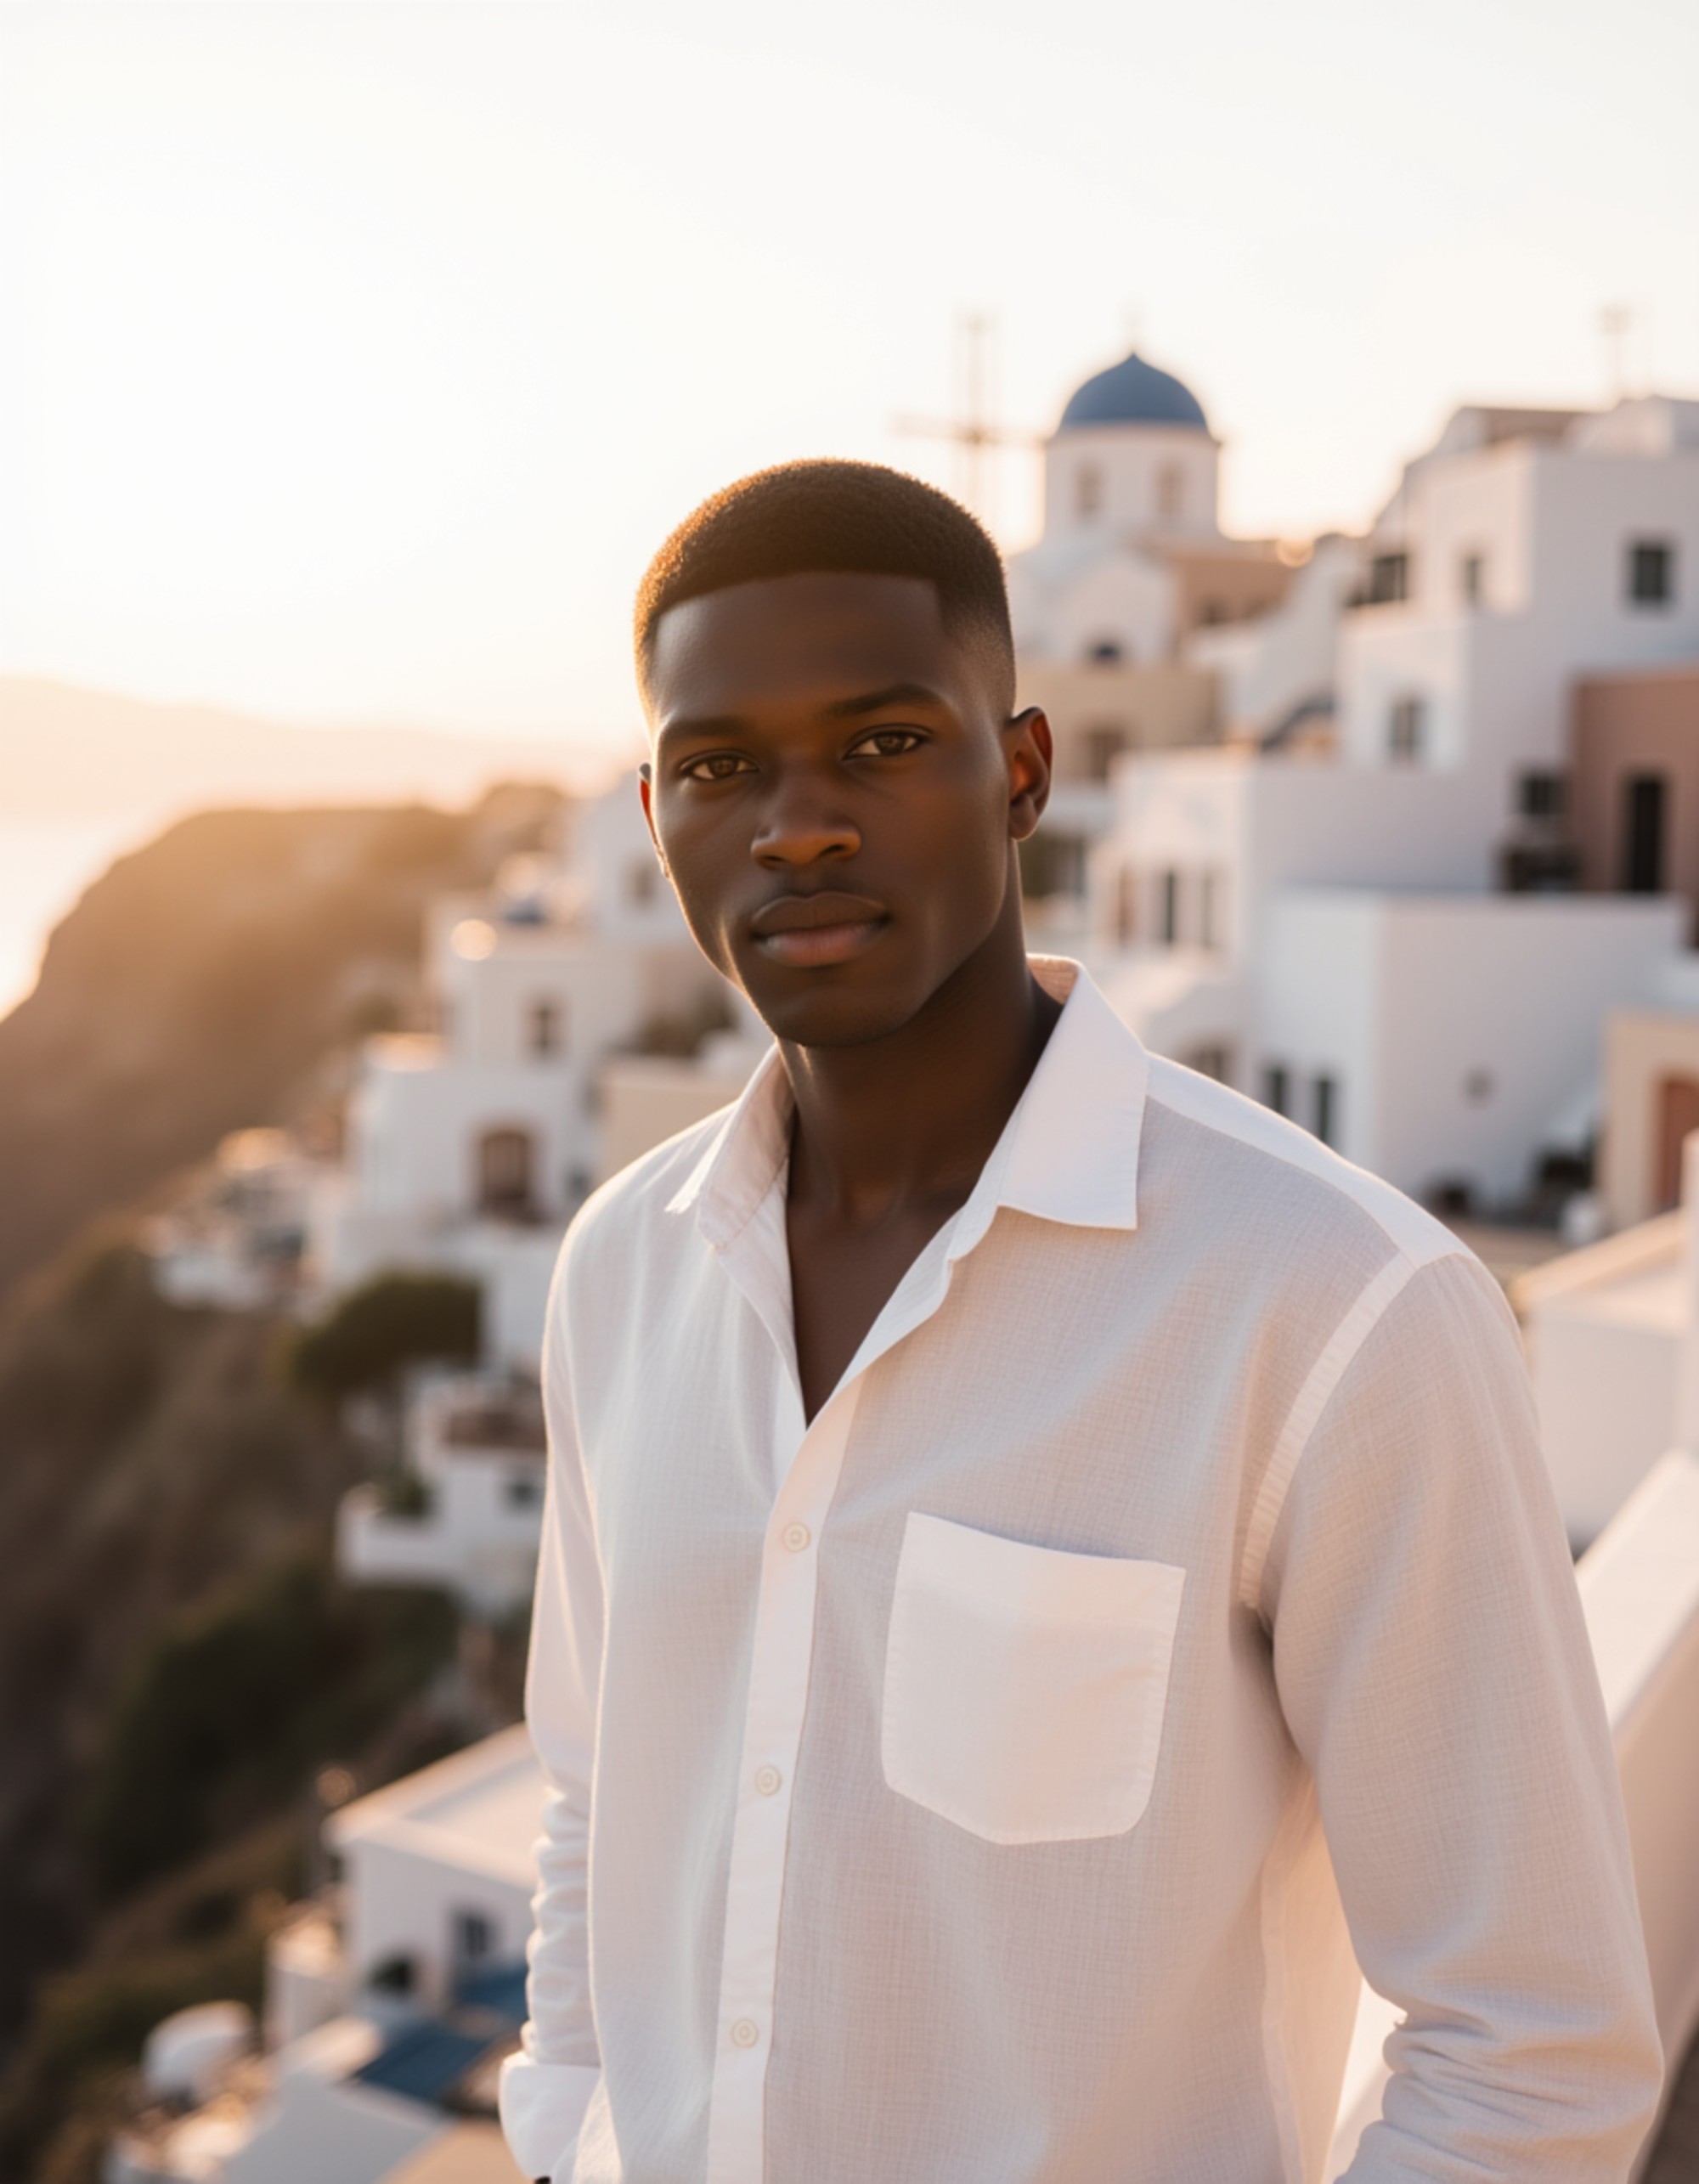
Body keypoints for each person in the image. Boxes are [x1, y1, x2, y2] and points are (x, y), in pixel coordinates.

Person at [500, 460, 1661, 2182]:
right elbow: (603, 1796)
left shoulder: (1338, 1307)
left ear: (1023, 770)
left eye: (884, 742)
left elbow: (1532, 2051)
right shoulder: (620, 1268)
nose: (796, 821)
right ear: (657, 808)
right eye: (720, 765)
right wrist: (556, 2132)